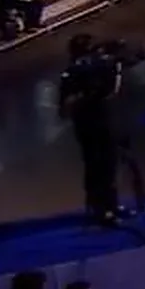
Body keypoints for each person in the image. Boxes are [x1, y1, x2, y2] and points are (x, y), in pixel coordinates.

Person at [59, 33, 127, 226]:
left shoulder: (101, 67)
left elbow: (111, 91)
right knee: (95, 167)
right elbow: (64, 109)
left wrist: (115, 69)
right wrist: (83, 97)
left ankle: (113, 204)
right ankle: (99, 209)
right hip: (87, 127)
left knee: (110, 164)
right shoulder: (70, 74)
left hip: (104, 121)